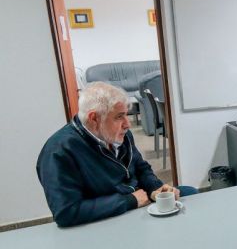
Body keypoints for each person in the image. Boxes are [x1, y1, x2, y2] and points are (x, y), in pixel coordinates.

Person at [37, 82, 198, 228]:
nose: (128, 124)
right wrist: (129, 201)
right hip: (107, 220)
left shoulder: (120, 135)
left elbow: (141, 168)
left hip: (135, 203)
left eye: (126, 115)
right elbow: (67, 212)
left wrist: (155, 189)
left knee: (190, 193)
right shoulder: (58, 151)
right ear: (94, 118)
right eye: (119, 116)